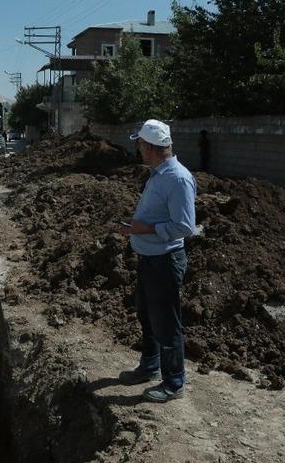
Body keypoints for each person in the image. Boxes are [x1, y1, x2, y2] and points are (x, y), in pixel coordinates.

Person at [117, 119, 196, 403]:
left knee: (166, 323)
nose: (138, 149)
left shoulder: (178, 178)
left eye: (140, 144)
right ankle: (150, 366)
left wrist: (143, 229)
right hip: (149, 258)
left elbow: (185, 227)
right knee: (147, 317)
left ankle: (174, 382)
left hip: (164, 261)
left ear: (149, 147)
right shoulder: (158, 173)